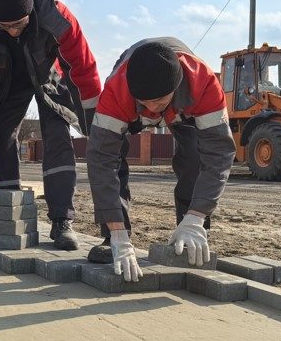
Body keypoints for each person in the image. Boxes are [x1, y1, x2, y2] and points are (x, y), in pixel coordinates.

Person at [86, 37, 236, 281]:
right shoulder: (118, 90)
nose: (152, 109)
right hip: (129, 101)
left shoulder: (204, 84)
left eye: (158, 102)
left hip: (184, 109)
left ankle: (193, 232)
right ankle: (113, 237)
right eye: (145, 102)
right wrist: (117, 234)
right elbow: (101, 160)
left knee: (193, 158)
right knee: (115, 160)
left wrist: (197, 215)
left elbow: (218, 154)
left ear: (176, 87)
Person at [0, 0, 101, 251]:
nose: (13, 32)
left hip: (46, 73)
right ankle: (7, 207)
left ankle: (62, 220)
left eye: (19, 25)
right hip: (6, 78)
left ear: (30, 14)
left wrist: (94, 119)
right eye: (4, 27)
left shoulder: (58, 18)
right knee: (2, 133)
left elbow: (83, 67)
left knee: (57, 132)